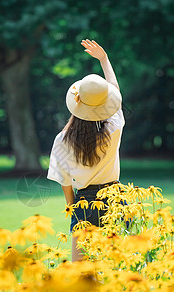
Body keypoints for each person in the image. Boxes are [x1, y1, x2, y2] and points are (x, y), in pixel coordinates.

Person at [47, 39, 124, 261]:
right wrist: (104, 59)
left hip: (84, 203)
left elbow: (65, 182)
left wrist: (75, 210)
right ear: (107, 103)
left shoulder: (62, 140)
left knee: (82, 278)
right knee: (114, 272)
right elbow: (116, 92)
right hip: (114, 200)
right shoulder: (114, 127)